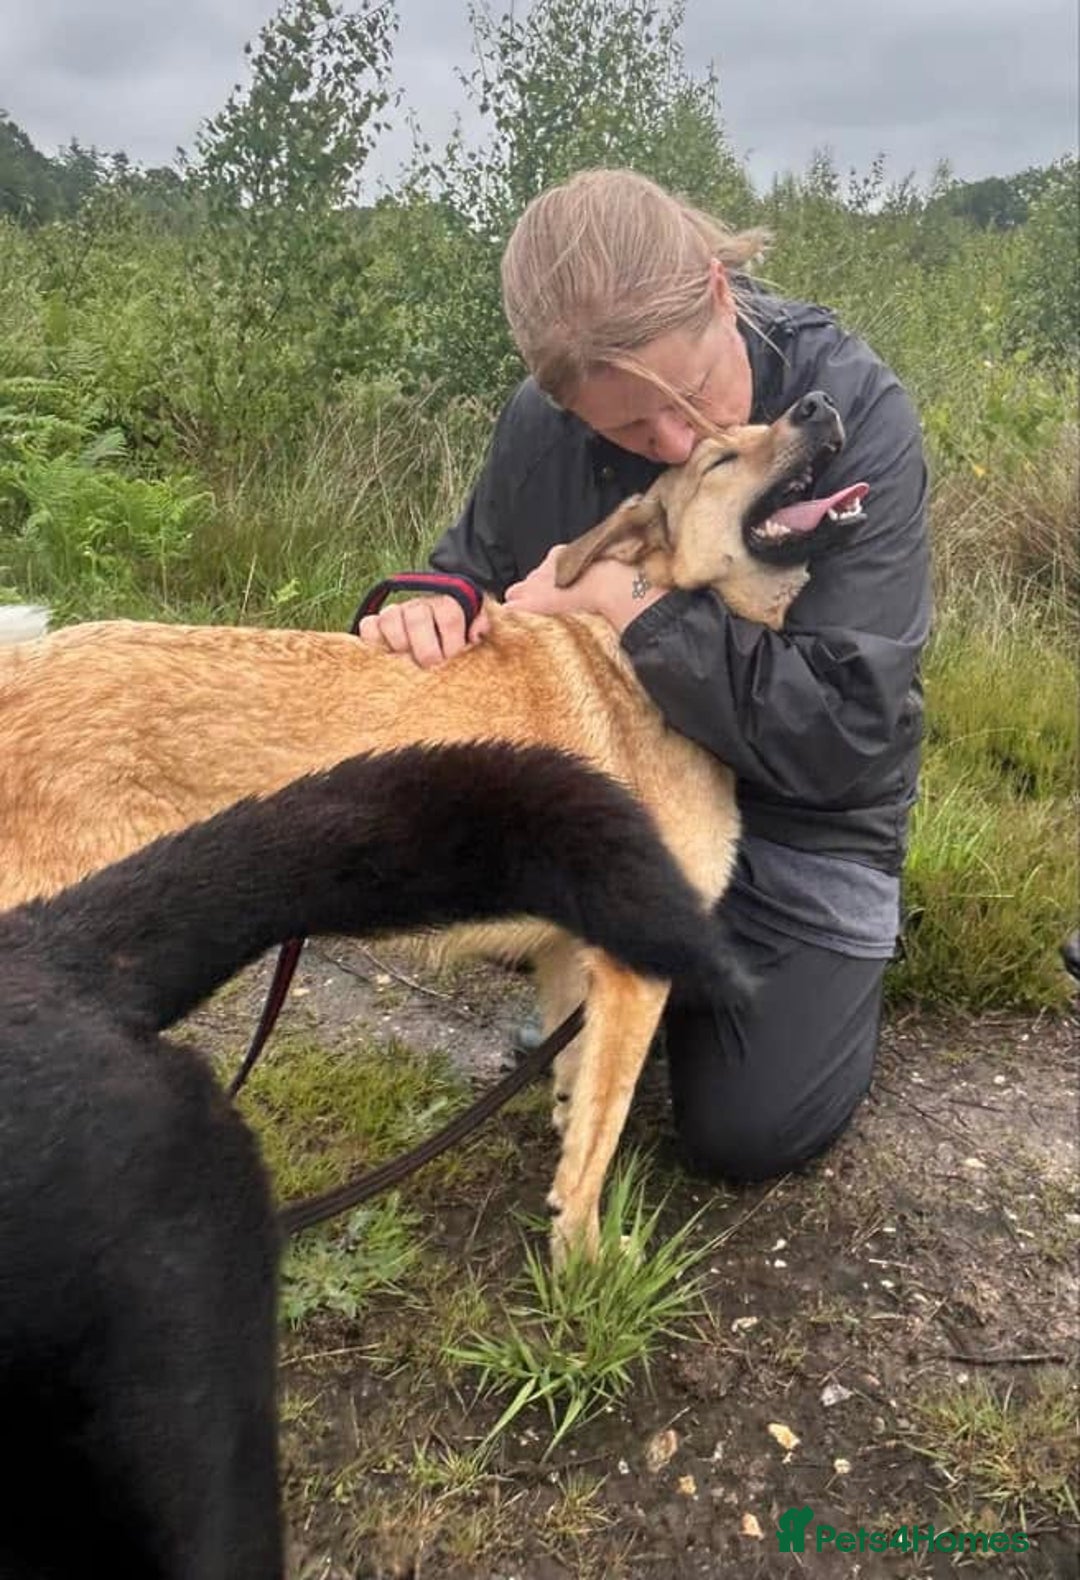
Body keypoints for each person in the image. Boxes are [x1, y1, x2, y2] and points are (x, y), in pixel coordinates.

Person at [358, 167, 931, 1182]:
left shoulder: (853, 416)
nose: (673, 442)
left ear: (719, 291)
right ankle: (630, 950)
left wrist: (636, 608)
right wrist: (424, 602)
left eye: (691, 399)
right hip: (627, 789)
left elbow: (849, 733)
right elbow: (466, 566)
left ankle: (723, 966)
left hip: (804, 819)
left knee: (747, 1133)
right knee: (420, 856)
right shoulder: (545, 425)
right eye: (625, 431)